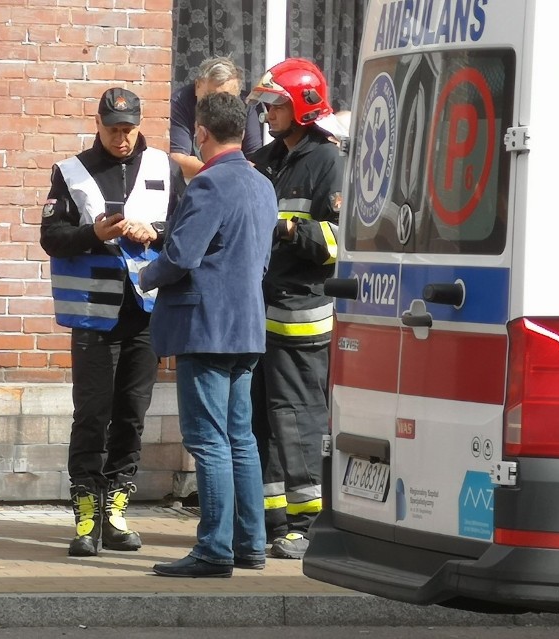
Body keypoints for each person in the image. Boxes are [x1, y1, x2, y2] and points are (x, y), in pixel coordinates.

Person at [40, 87, 185, 557]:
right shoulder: (72, 171)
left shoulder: (164, 167)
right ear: (98, 124)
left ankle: (117, 514)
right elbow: (51, 237)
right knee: (90, 418)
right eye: (113, 129)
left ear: (140, 125)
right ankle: (86, 520)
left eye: (129, 130)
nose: (122, 139)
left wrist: (156, 232)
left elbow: (185, 229)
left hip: (145, 313)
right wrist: (92, 233)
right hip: (93, 317)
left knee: (131, 416)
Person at [139, 92, 278, 578]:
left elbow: (180, 257)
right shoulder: (263, 185)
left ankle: (215, 549)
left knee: (208, 439)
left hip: (206, 328)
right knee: (241, 438)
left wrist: (144, 276)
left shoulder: (208, 184)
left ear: (200, 132)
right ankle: (250, 543)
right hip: (247, 326)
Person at [245, 58, 345, 559]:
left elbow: (337, 243)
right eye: (266, 104)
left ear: (303, 105)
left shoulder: (329, 162)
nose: (267, 112)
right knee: (260, 419)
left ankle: (309, 528)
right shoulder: (263, 159)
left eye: (276, 103)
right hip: (258, 314)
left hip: (301, 315)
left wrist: (286, 229)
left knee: (299, 419)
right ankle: (273, 520)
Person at [170, 56, 264, 180]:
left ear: (238, 94)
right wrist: (224, 176)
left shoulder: (247, 105)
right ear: (197, 85)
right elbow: (178, 160)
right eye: (209, 96)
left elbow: (255, 162)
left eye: (225, 98)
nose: (216, 106)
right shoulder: (181, 101)